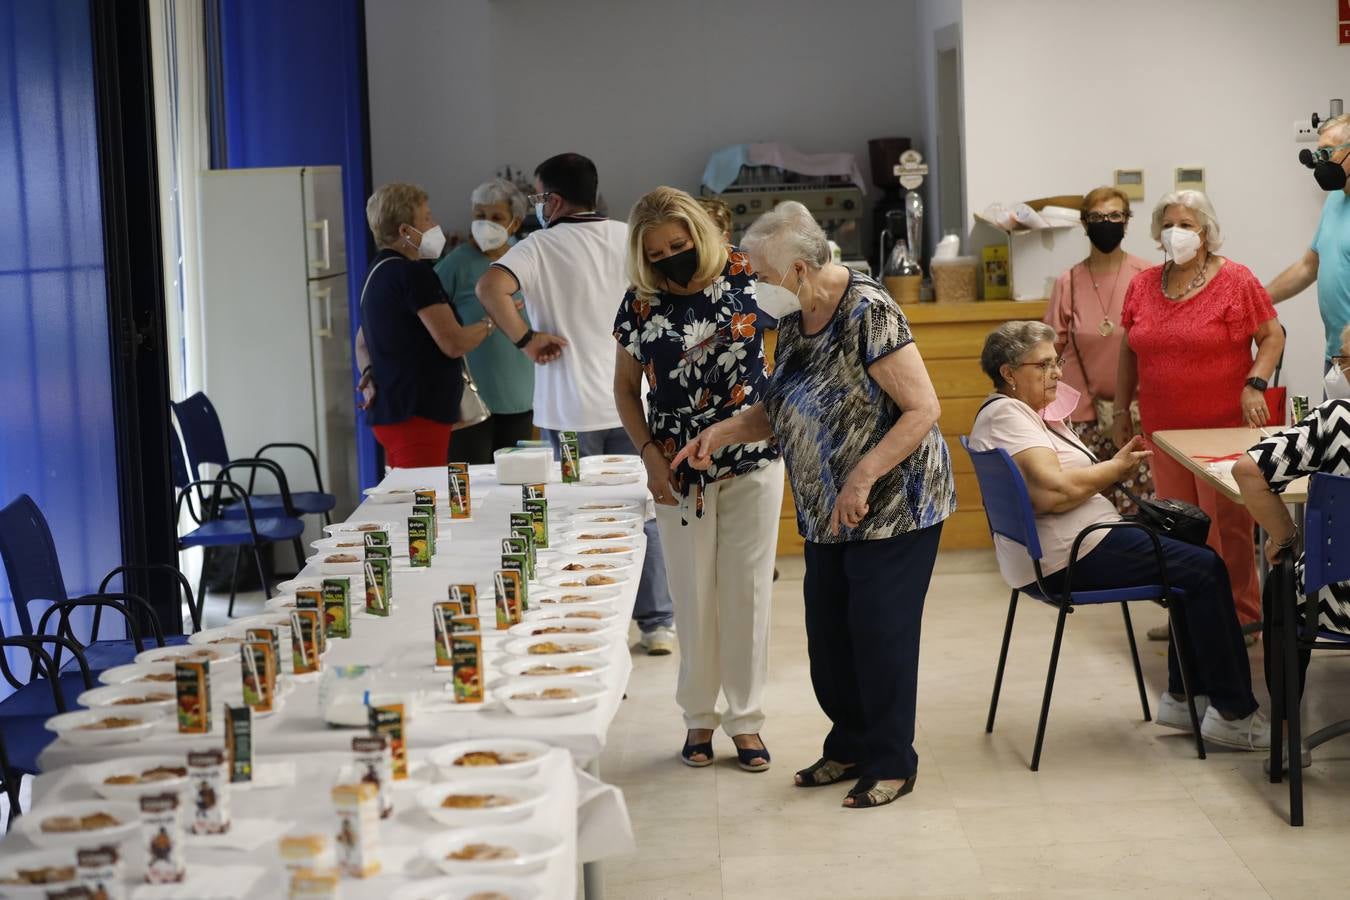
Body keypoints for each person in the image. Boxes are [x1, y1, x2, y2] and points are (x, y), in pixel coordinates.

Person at [674, 201, 955, 809]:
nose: (755, 288)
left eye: (762, 277)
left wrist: (861, 477)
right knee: (830, 643)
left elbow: (923, 409)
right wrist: (718, 435)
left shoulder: (868, 310)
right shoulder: (798, 318)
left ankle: (891, 762)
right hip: (827, 514)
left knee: (880, 638)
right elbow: (775, 409)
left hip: (893, 508)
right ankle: (849, 744)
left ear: (799, 270)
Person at [969, 321, 1270, 751]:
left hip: (1071, 544)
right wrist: (1115, 469)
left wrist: (1112, 467)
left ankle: (1185, 699)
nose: (1057, 373)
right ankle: (1234, 714)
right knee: (1203, 568)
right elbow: (1053, 493)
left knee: (1189, 550)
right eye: (1044, 365)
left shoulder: (1020, 414)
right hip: (1071, 553)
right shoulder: (1007, 415)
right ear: (1009, 372)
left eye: (1058, 363)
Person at [476, 153, 676, 654]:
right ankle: (657, 624)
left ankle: (588, 624)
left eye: (538, 197)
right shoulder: (629, 236)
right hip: (636, 404)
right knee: (644, 511)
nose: (537, 206)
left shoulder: (538, 246)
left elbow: (489, 286)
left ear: (554, 200)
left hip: (567, 413)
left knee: (576, 514)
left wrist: (526, 340)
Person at [613, 187, 784, 772]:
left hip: (752, 457)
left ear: (700, 236)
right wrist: (648, 455)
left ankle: (746, 719)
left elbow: (791, 350)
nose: (670, 260)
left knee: (747, 590)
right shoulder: (639, 302)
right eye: (657, 253)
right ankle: (697, 717)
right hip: (675, 466)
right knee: (692, 592)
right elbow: (623, 389)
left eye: (679, 246)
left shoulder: (747, 275)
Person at [1114, 190, 1284, 627]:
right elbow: (1129, 350)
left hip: (1223, 426)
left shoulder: (1237, 280)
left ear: (1206, 233)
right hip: (1164, 428)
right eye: (1169, 224)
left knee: (1228, 525)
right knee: (1176, 525)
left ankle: (1242, 616)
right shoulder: (1142, 284)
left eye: (1187, 225)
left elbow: (1271, 336)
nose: (1177, 233)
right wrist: (1119, 412)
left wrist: (1255, 385)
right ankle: (1189, 617)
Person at [1235, 356, 1350, 768]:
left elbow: (1248, 472)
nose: (1338, 369)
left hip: (1338, 607)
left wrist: (1287, 537)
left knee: (1283, 581)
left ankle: (1284, 736)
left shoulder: (1336, 421)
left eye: (1343, 359)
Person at [354, 183, 493, 468]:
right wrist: (492, 321)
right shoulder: (413, 274)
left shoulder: (378, 271)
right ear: (406, 231)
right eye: (427, 218)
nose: (435, 225)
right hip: (417, 415)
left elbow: (361, 342)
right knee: (424, 501)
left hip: (393, 413)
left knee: (406, 497)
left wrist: (368, 372)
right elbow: (453, 343)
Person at [1044, 186, 1153, 515]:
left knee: (1139, 501)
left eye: (1114, 216)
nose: (1106, 223)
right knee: (1090, 505)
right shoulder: (1069, 282)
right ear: (1084, 223)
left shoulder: (1146, 277)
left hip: (1134, 411)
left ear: (1126, 222)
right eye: (1097, 217)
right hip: (1080, 415)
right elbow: (1050, 348)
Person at [434, 179, 536, 464]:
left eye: (496, 217)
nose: (485, 223)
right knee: (472, 483)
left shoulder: (526, 258)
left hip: (521, 396)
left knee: (519, 484)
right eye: (479, 216)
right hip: (472, 402)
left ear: (514, 224)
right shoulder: (456, 264)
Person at [1266, 113, 1350, 374]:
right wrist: (1258, 300)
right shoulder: (1335, 199)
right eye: (1319, 156)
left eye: (1327, 153)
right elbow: (1308, 266)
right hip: (1336, 356)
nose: (1321, 164)